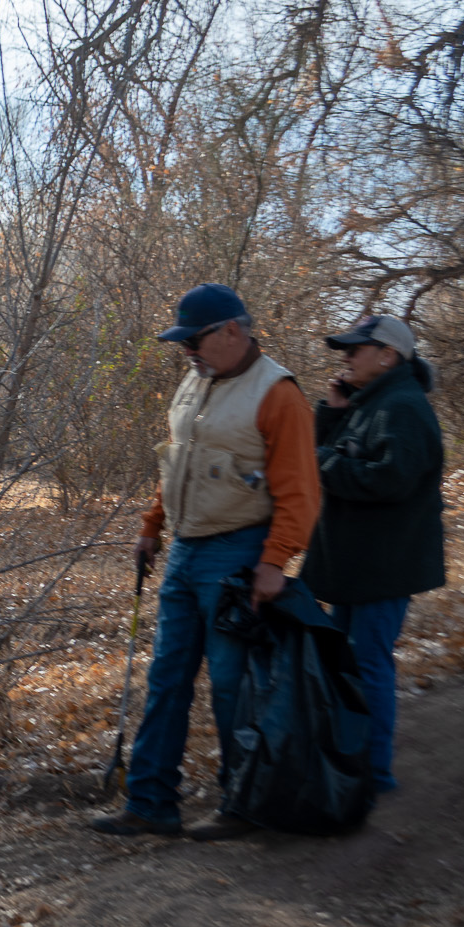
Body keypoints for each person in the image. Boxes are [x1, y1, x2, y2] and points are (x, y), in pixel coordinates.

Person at [90, 284, 320, 841]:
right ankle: (150, 803)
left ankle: (242, 803)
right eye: (182, 342)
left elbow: (301, 494)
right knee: (167, 678)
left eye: (194, 339)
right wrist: (152, 526)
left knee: (230, 682)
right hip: (186, 551)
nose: (186, 350)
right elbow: (177, 465)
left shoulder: (279, 393)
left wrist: (274, 562)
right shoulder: (195, 380)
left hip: (239, 552)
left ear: (232, 331)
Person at [300, 314, 445, 796]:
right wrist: (335, 411)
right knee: (347, 665)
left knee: (368, 665)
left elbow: (388, 479)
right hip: (356, 564)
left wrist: (324, 459)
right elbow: (343, 455)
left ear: (388, 356)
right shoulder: (375, 402)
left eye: (355, 349)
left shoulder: (403, 406)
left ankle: (374, 773)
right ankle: (350, 763)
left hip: (382, 567)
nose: (345, 356)